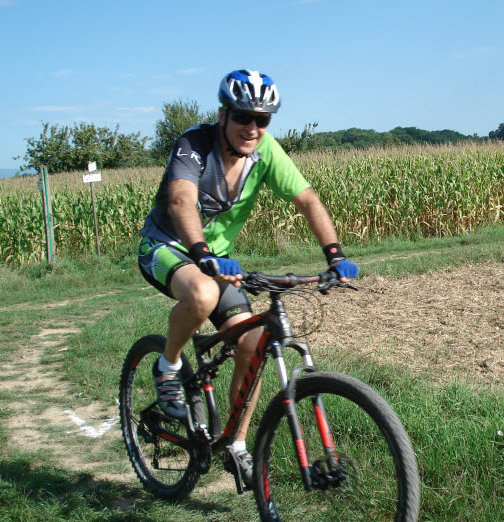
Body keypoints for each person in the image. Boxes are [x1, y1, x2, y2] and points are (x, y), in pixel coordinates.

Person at [137, 69, 358, 487]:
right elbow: (181, 199)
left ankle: (236, 445)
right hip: (167, 247)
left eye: (263, 119)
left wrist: (335, 254)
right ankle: (167, 366)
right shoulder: (194, 144)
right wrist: (202, 253)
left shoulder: (265, 151)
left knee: (255, 344)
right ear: (223, 113)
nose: (252, 128)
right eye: (243, 116)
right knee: (201, 294)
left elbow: (307, 199)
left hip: (216, 259)